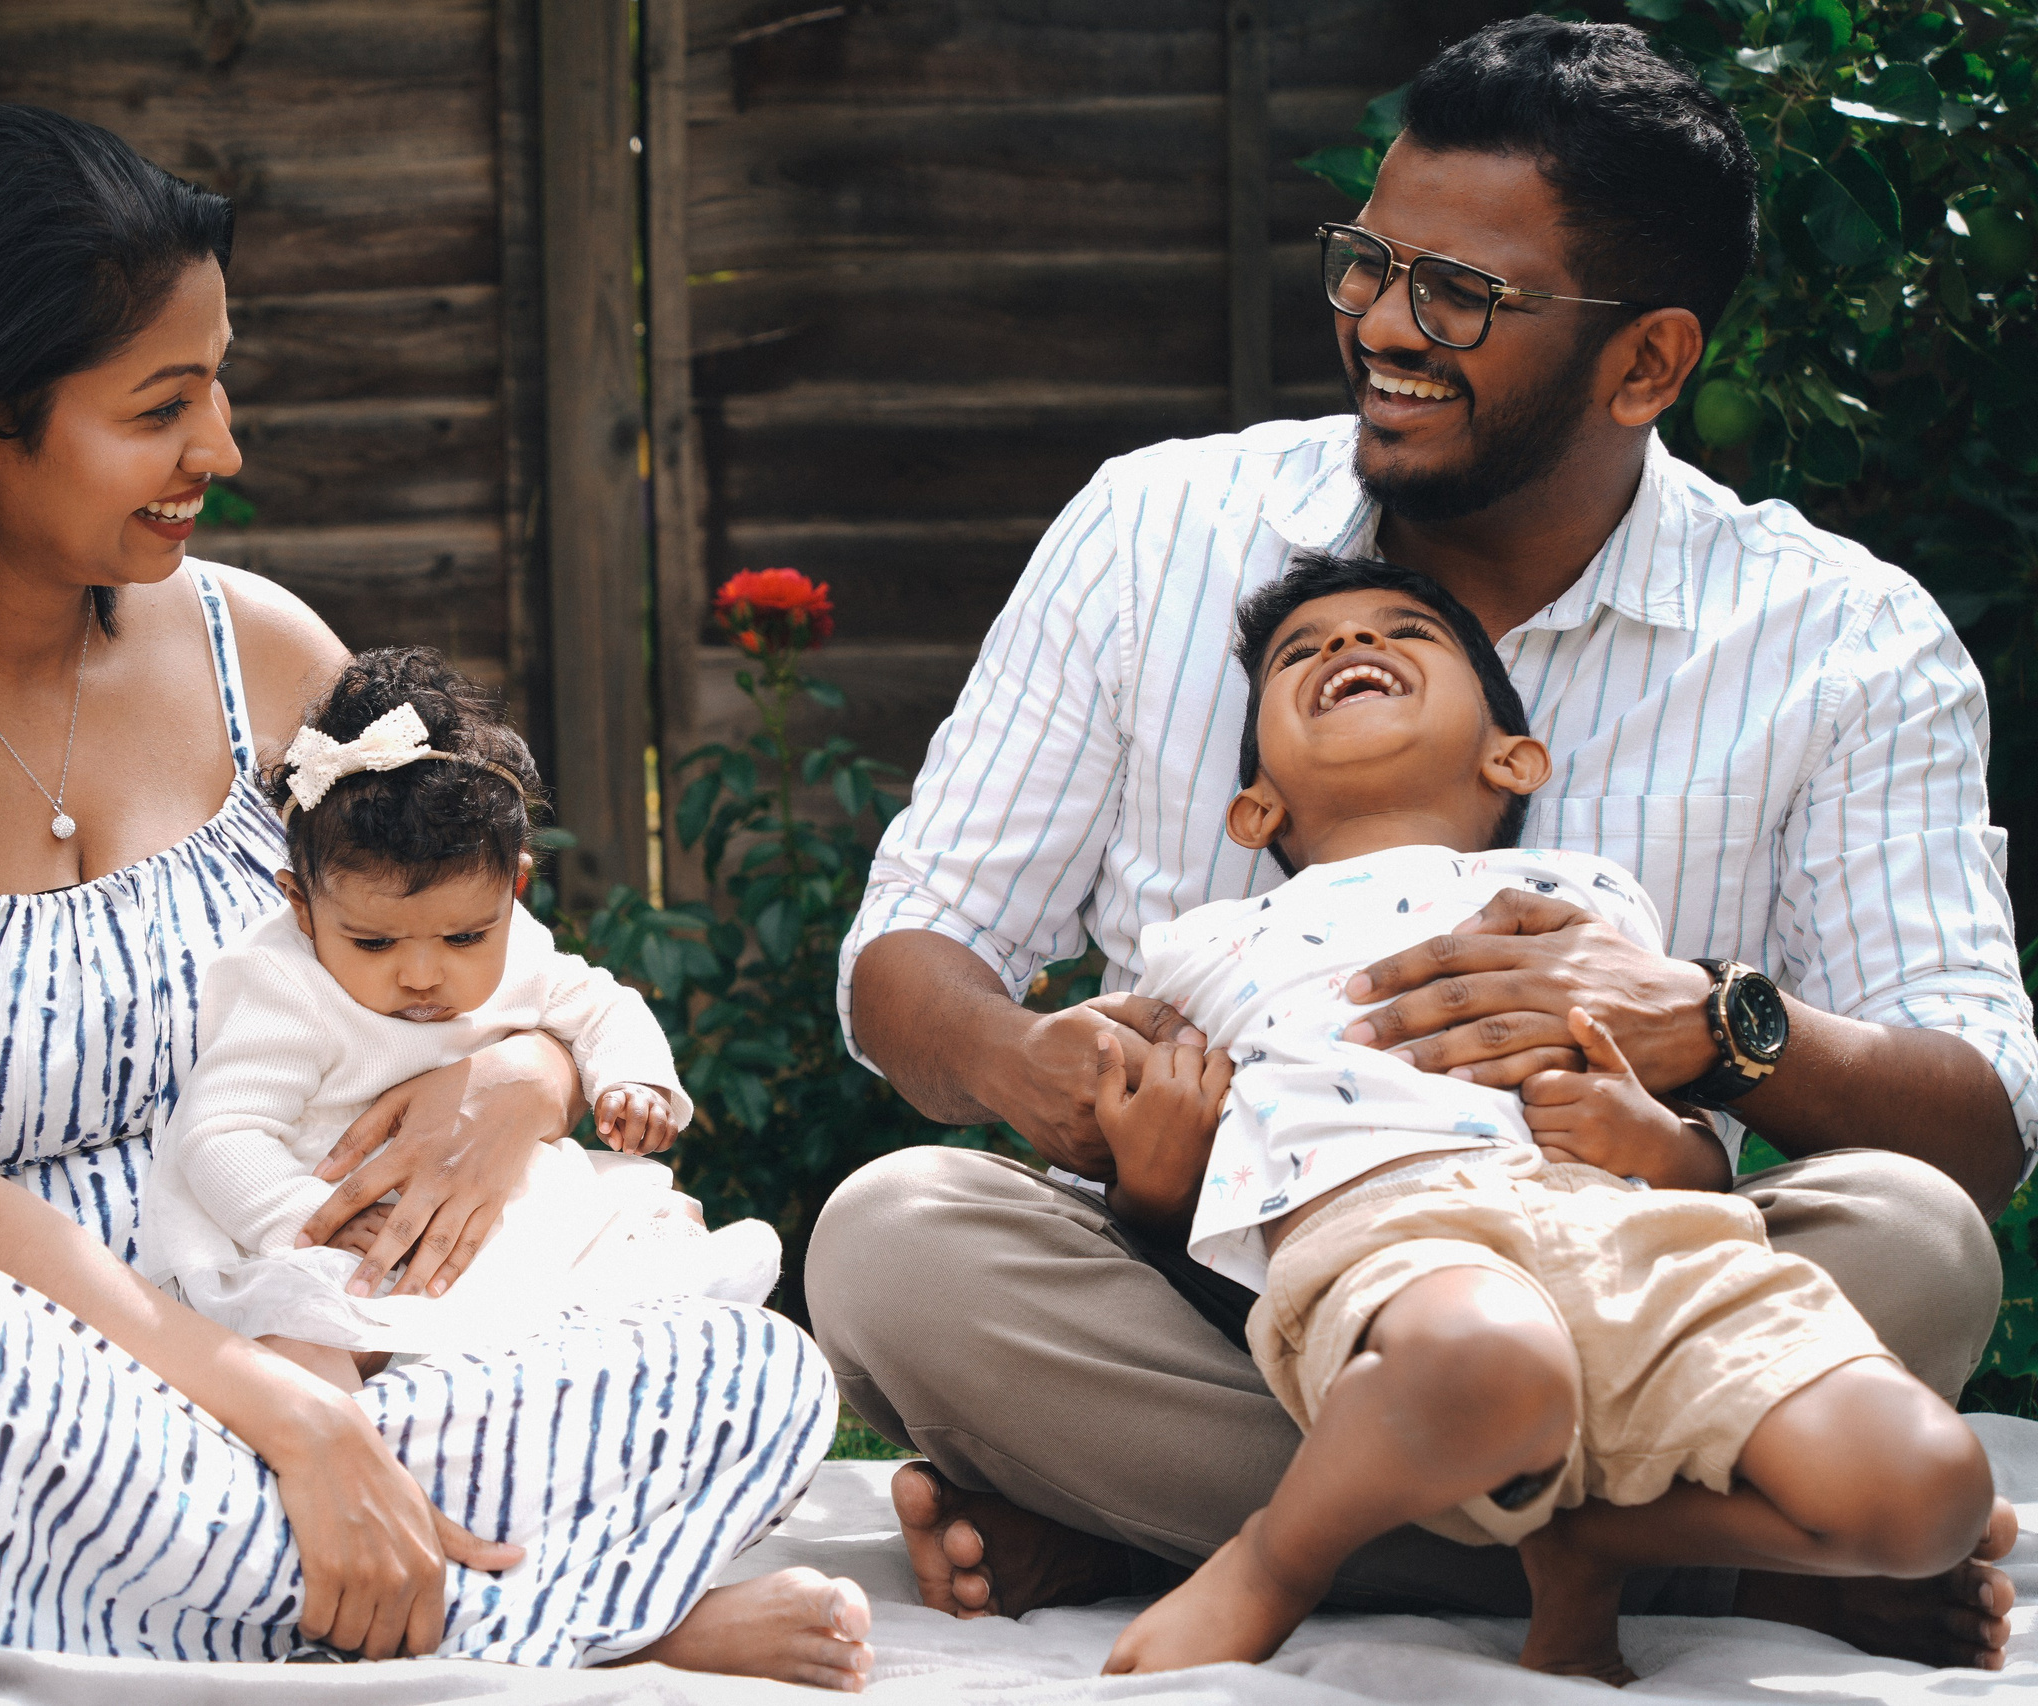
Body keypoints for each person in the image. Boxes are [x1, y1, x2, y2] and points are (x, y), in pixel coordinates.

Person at [808, 14, 2033, 1673]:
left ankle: (1161, 1532)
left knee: (1914, 1239)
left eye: (1460, 292)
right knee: (891, 1243)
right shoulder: (1154, 530)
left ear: (1649, 363)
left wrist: (1717, 1031)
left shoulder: (1844, 642)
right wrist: (1044, 1075)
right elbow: (910, 958)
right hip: (1217, 1292)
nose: (1383, 323)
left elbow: (1978, 1124)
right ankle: (1686, 1553)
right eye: (1368, 263)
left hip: (1629, 1294)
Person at [0, 103, 874, 1690]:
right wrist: (280, 1412)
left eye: (220, 382)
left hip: (309, 1306)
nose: (220, 448)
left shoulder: (263, 654)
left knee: (740, 1363)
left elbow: (473, 930)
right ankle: (543, 1610)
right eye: (164, 404)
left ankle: (250, 1586)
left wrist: (532, 1069)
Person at [1086, 553, 2004, 1683]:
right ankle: (1276, 1558)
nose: (1345, 647)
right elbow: (1112, 1108)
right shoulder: (1201, 945)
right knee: (1488, 1364)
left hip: (1635, 1244)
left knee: (1933, 1494)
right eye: (1301, 651)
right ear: (1254, 805)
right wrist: (1148, 1183)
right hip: (1393, 1231)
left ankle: (1598, 1538)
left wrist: (1642, 1132)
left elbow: (1684, 1160)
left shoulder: (1590, 898)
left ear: (1510, 756)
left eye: (1403, 631)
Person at [139, 646, 781, 1383]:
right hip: (346, 1237)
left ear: (514, 890)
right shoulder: (285, 987)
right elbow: (220, 1132)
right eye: (374, 942)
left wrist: (632, 1080)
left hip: (497, 1205)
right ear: (301, 906)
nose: (421, 974)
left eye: (464, 937)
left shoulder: (520, 949)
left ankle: (615, 1376)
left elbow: (602, 1005)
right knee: (306, 1342)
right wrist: (308, 1215)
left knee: (660, 1226)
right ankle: (369, 1440)